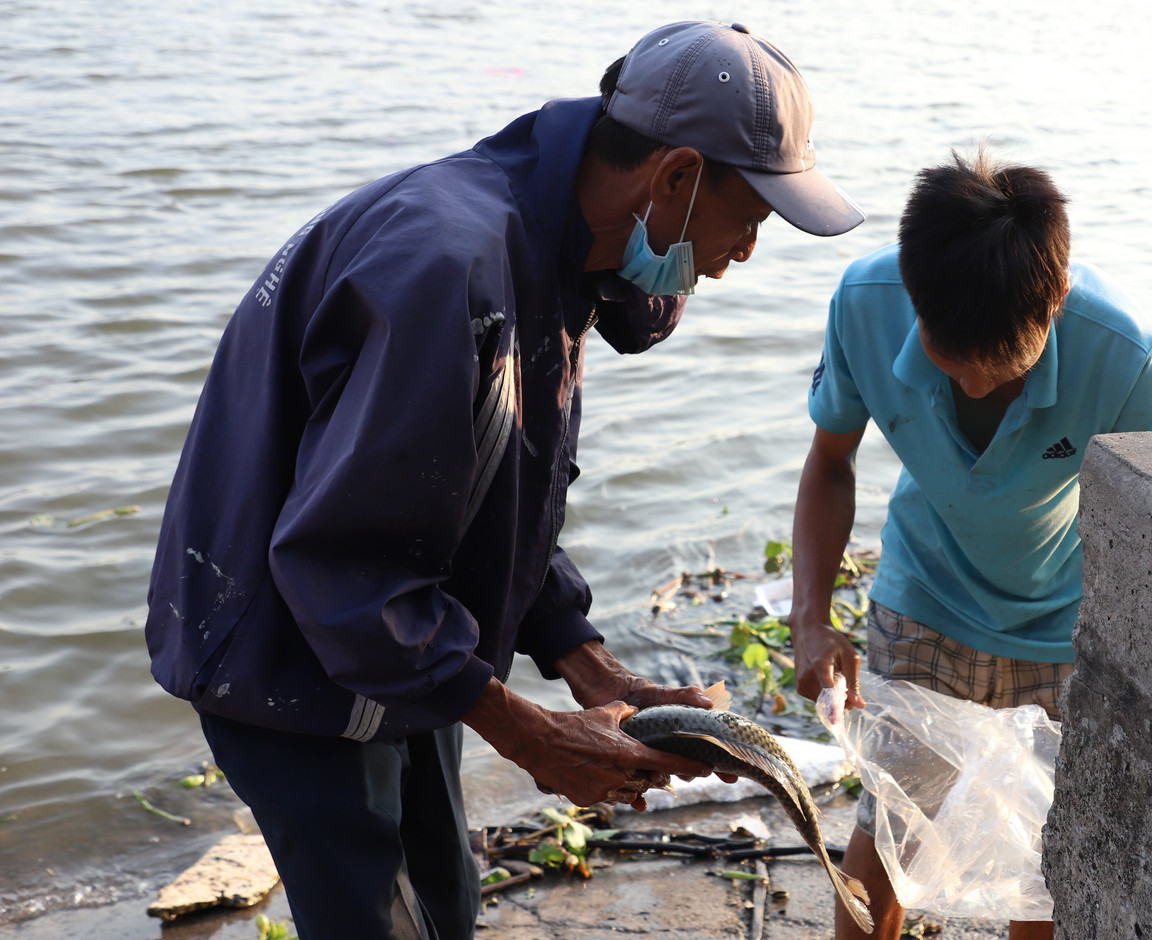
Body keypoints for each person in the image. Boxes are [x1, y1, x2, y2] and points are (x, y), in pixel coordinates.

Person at [144, 21, 863, 940]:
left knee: (446, 899)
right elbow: (341, 565)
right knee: (376, 921)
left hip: (404, 631)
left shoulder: (568, 243)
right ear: (676, 178)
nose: (748, 251)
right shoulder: (450, 270)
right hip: (289, 650)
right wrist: (530, 733)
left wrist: (589, 667)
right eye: (753, 217)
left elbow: (485, 489)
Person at [788, 148, 1152, 939]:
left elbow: (1147, 545)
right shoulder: (866, 303)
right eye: (949, 358)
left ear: (1058, 302)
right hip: (924, 595)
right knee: (887, 840)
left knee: (1040, 864)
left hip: (1063, 623)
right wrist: (808, 616)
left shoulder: (1126, 356)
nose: (972, 385)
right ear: (912, 294)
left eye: (1000, 368)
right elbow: (830, 462)